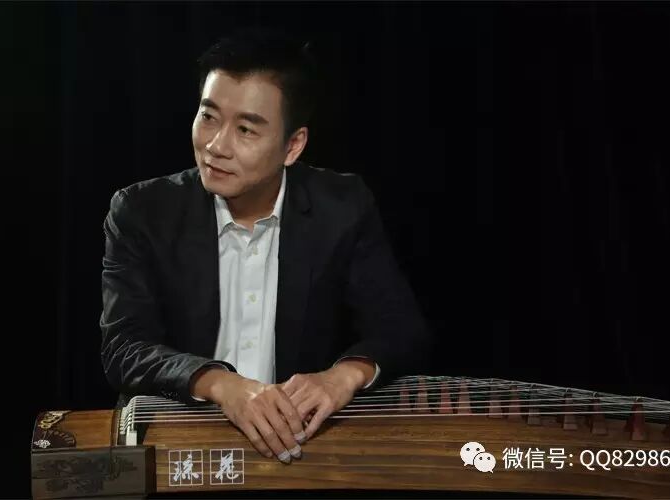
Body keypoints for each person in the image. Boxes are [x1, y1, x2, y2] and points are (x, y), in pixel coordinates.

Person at [100, 27, 434, 465]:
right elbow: (124, 346)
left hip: (299, 452)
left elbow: (400, 330)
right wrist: (222, 385)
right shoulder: (142, 211)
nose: (216, 146)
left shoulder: (341, 207)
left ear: (293, 146)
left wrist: (341, 377)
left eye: (245, 129)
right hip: (180, 448)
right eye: (208, 117)